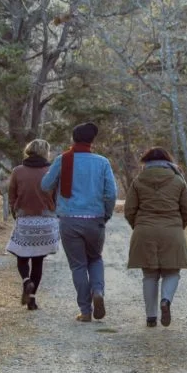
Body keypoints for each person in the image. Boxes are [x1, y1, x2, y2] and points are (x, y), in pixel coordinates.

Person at [41, 122, 117, 322]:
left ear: (73, 139)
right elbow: (111, 193)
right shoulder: (102, 162)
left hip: (69, 219)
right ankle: (98, 291)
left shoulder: (63, 159)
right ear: (93, 140)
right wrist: (106, 214)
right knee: (95, 258)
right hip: (95, 219)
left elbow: (45, 184)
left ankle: (85, 311)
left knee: (78, 266)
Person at [124, 147, 187, 327]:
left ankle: (151, 317)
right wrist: (179, 226)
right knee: (172, 271)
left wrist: (138, 225)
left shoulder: (138, 180)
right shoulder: (178, 180)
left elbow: (129, 209)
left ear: (146, 162)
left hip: (145, 230)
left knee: (149, 275)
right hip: (172, 230)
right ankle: (166, 301)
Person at [6, 139, 60, 310]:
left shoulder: (17, 171)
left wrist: (16, 212)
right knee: (38, 261)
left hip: (25, 219)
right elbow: (57, 196)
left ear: (28, 151)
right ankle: (32, 300)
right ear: (45, 152)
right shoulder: (51, 171)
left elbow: (12, 195)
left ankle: (26, 281)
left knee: (21, 257)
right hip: (46, 221)